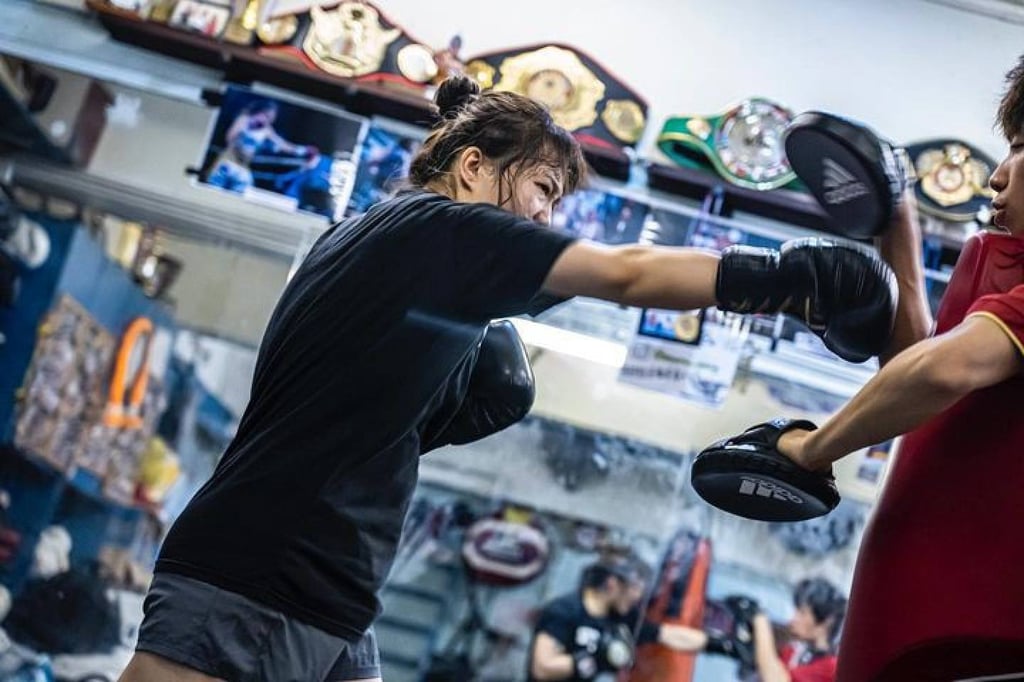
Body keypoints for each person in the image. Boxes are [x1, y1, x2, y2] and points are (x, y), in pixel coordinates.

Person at [118, 74, 896, 682]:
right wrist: (790, 282)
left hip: (332, 584)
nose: (547, 217)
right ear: (471, 168)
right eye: (544, 190)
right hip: (260, 567)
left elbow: (371, 417)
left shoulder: (378, 249)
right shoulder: (437, 231)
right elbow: (624, 273)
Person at [722, 55, 1024, 681]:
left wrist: (810, 449)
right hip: (917, 627)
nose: (997, 177)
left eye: (1020, 149)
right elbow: (922, 373)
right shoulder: (1000, 269)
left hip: (980, 641)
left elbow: (944, 372)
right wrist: (896, 218)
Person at [654, 579, 846, 682]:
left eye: (803, 613)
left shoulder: (831, 668)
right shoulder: (792, 650)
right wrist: (655, 632)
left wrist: (759, 619)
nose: (794, 618)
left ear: (825, 622)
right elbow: (713, 643)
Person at [205, 98, 317, 194]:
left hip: (243, 167)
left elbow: (283, 145)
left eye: (271, 119)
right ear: (260, 112)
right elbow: (229, 138)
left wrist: (304, 150)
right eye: (267, 116)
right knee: (213, 192)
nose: (267, 121)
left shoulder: (266, 129)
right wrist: (246, 132)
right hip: (228, 162)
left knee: (242, 192)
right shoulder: (244, 119)